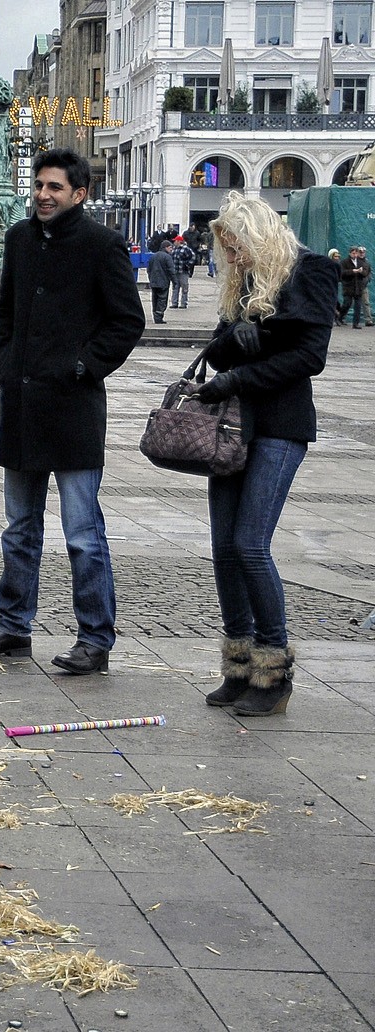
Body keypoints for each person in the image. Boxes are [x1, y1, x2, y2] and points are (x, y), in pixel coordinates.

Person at [0, 148, 143, 674]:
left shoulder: (103, 245)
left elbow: (127, 322)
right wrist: (6, 367)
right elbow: (6, 311)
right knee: (18, 527)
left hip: (74, 407)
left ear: (79, 194)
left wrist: (83, 367)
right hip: (21, 403)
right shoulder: (19, 238)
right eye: (39, 185)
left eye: (55, 187)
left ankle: (95, 638)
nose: (43, 195)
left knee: (83, 533)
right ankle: (11, 626)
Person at [192, 194, 337, 716]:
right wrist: (235, 339)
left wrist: (242, 368)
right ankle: (239, 664)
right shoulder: (243, 281)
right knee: (224, 549)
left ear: (259, 236)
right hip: (234, 427)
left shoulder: (311, 271)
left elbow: (309, 357)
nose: (231, 258)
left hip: (280, 424)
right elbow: (215, 347)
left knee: (251, 543)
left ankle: (273, 671)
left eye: (237, 247)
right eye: (226, 250)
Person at [338, 245, 370, 327]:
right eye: (353, 253)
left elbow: (366, 273)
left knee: (358, 306)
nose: (355, 255)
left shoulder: (361, 262)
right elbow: (342, 273)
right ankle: (340, 317)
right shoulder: (344, 262)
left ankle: (355, 323)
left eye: (356, 253)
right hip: (348, 287)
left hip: (358, 287)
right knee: (347, 304)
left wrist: (361, 272)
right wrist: (352, 271)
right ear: (350, 253)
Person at [147, 239, 175, 324]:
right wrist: (175, 281)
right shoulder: (167, 257)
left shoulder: (153, 256)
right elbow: (171, 270)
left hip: (154, 282)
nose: (171, 250)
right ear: (165, 247)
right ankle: (159, 317)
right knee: (162, 299)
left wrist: (151, 279)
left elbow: (149, 269)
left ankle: (155, 315)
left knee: (154, 299)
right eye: (170, 248)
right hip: (163, 282)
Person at [170, 235, 196, 309]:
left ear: (178, 241)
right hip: (176, 271)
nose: (174, 242)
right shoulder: (174, 249)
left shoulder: (186, 249)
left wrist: (187, 265)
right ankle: (174, 303)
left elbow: (193, 257)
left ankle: (183, 303)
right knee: (175, 287)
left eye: (175, 241)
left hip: (183, 272)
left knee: (184, 288)